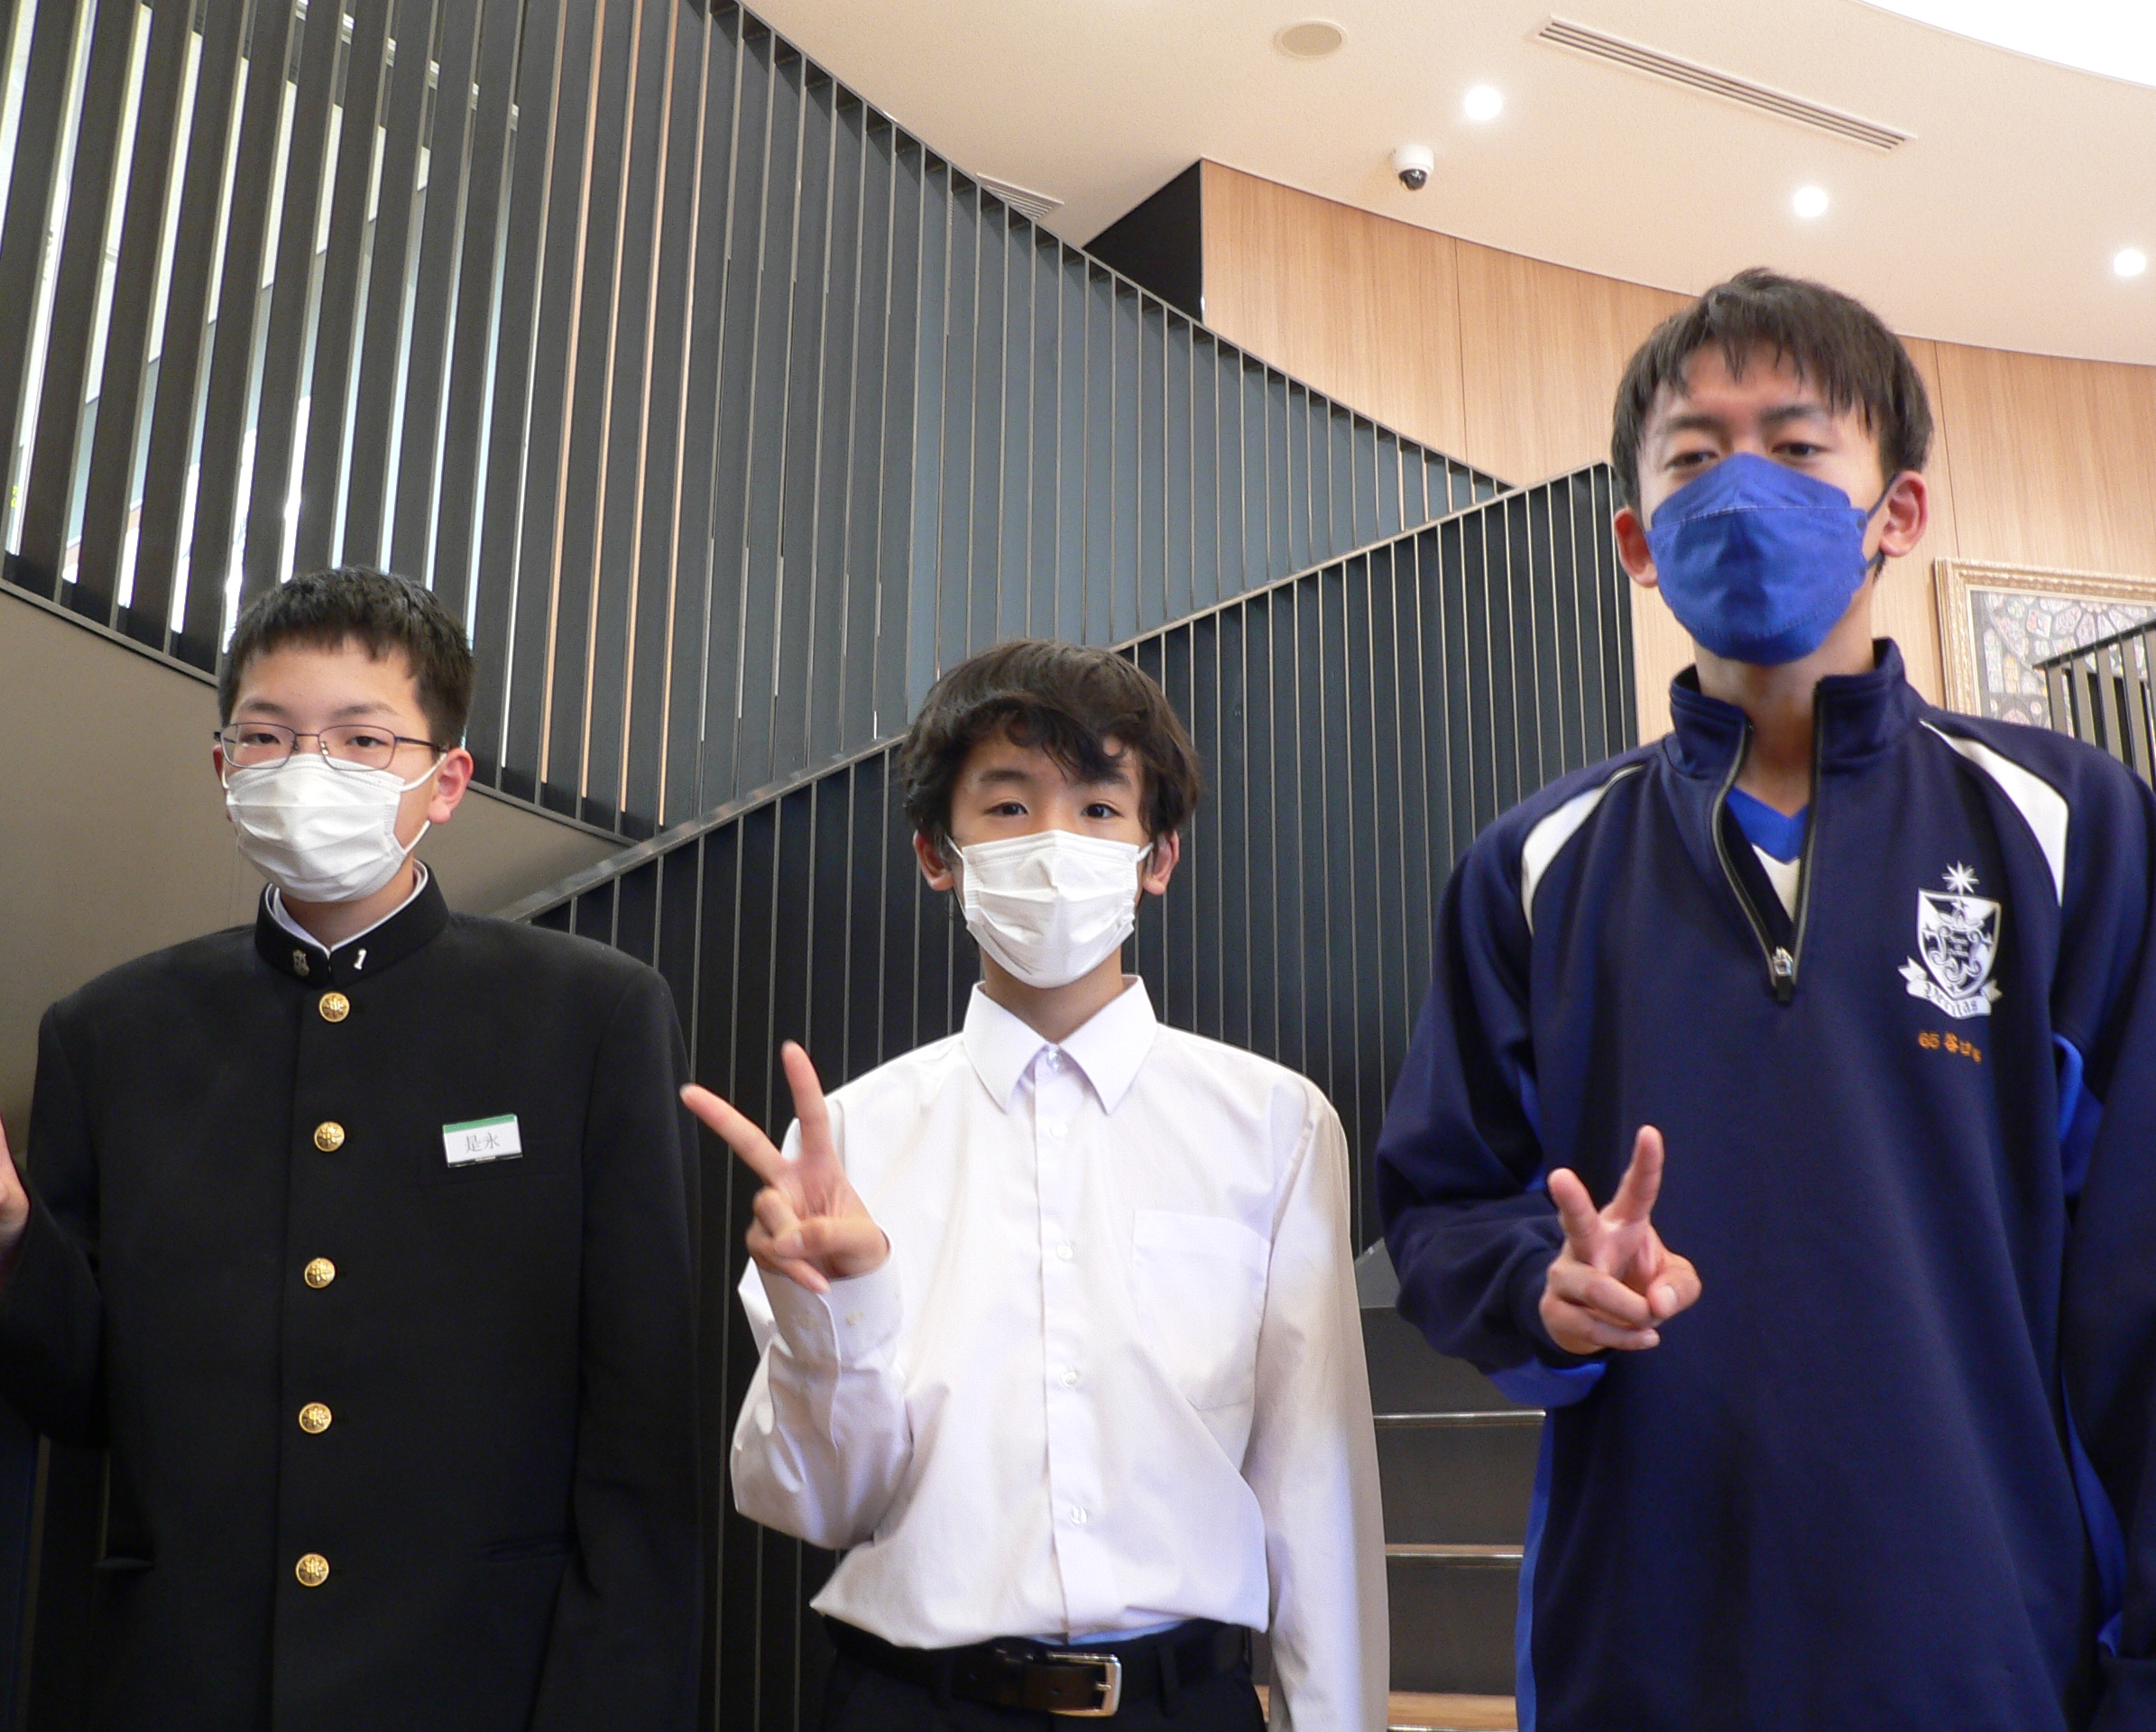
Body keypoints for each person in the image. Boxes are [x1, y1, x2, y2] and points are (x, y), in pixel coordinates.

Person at [1376, 270, 2156, 1730]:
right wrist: (1542, 1286)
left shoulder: (2066, 826)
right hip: (1634, 1660)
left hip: (1981, 1653)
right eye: (1693, 457)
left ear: (1897, 512)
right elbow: (1440, 1205)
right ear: (1637, 540)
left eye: (1795, 447)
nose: (1743, 487)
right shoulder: (1532, 867)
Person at [0, 568, 699, 1730]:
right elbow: (77, 1403)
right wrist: (15, 1240)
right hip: (183, 1680)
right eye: (268, 736)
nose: (305, 769)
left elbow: (640, 1433)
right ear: (225, 767)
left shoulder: (590, 1016)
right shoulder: (109, 1033)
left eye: (362, 739)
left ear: (445, 781)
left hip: (479, 1679)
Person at [685, 640, 1386, 1731]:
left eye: (1099, 808)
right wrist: (837, 1317)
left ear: (1158, 855)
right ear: (938, 853)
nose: (1055, 845)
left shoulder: (1274, 1126)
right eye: (1008, 807)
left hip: (1179, 1705)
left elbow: (1315, 1487)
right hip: (912, 1705)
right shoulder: (851, 1138)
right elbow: (818, 1505)